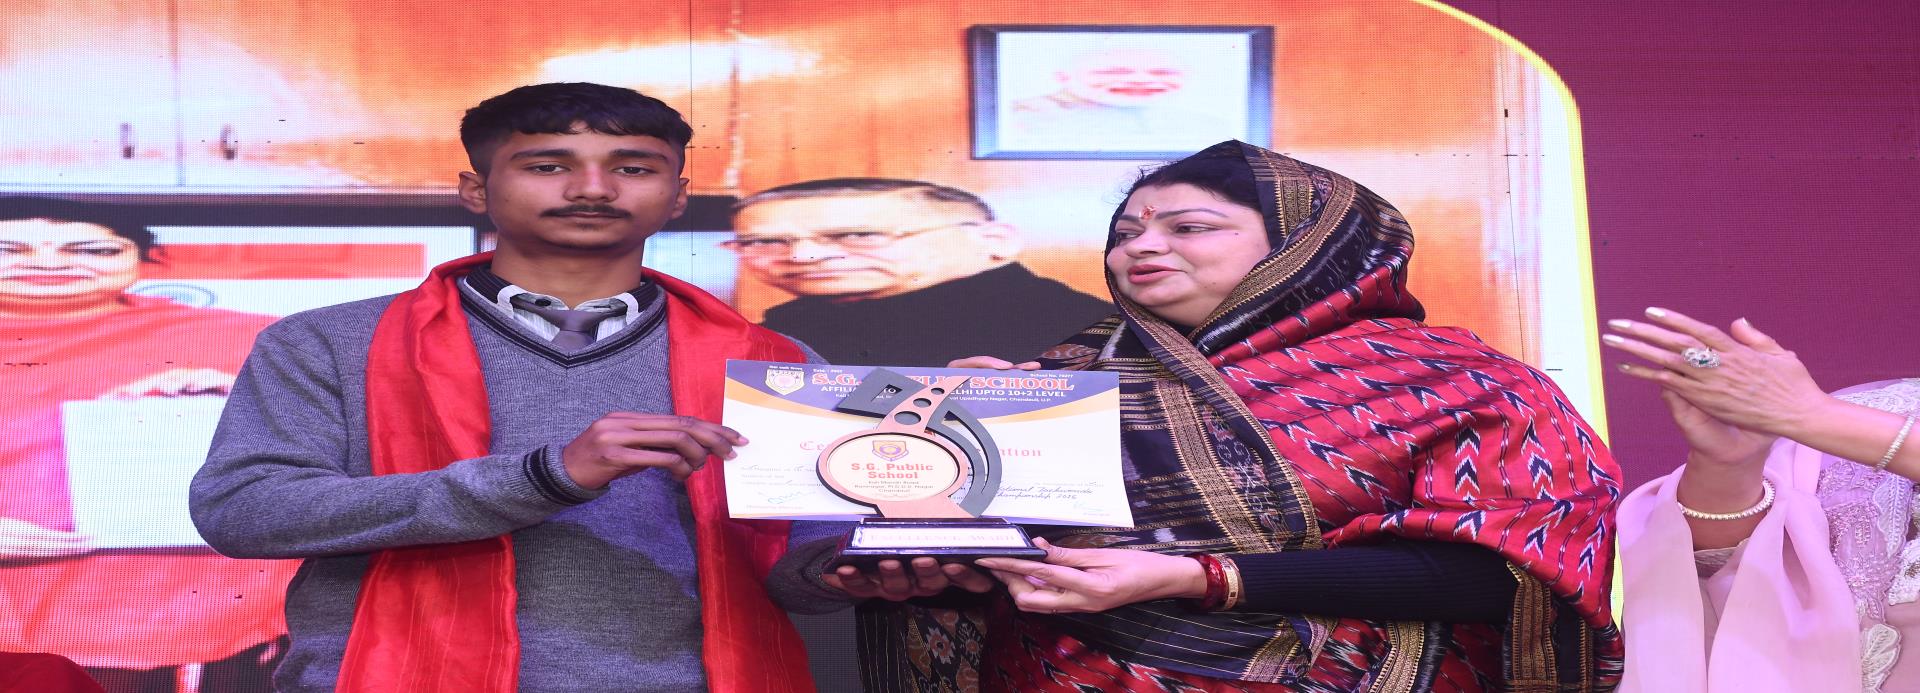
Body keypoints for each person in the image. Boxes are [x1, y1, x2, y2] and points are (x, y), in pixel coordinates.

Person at [187, 82, 868, 693]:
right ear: (475, 189)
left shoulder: (770, 360)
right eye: (548, 166)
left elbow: (800, 561)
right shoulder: (329, 340)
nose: (593, 189)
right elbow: (243, 511)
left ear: (678, 195)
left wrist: (851, 570)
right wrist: (545, 476)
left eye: (633, 168)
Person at [921, 141, 1623, 691]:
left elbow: (1506, 575)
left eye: (1189, 226)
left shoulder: (1459, 381)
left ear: (1302, 245)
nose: (1141, 246)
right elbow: (1008, 558)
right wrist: (952, 456)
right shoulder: (1057, 380)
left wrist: (1202, 577)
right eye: (1127, 231)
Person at [0, 197, 292, 691]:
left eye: (91, 249)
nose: (48, 263)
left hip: (224, 616)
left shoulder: (255, 336)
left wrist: (240, 398)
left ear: (139, 256)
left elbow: (362, 449)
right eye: (9, 249)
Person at [1606, 309, 1920, 692]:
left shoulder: (1832, 419)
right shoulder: (1871, 408)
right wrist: (1728, 467)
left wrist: (1817, 416)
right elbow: (1715, 574)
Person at [728, 178, 1112, 365]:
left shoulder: (1080, 328)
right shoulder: (788, 325)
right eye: (764, 242)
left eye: (859, 235)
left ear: (994, 241)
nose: (804, 257)